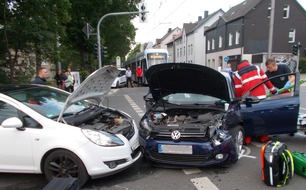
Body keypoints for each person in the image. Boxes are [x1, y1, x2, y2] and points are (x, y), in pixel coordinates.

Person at [234, 60, 278, 145]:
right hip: (260, 97)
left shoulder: (237, 74)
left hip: (248, 99)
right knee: (262, 118)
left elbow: (238, 89)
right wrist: (273, 90)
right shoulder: (257, 68)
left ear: (239, 66)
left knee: (248, 119)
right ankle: (263, 137)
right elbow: (266, 81)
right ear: (248, 63)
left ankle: (247, 139)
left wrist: (240, 99)